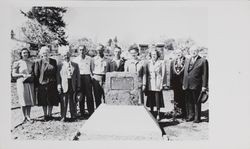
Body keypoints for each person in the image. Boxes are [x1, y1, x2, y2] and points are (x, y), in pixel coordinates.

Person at [182, 45, 209, 123]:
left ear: (198, 51)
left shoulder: (203, 61)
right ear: (190, 52)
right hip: (187, 84)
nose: (193, 52)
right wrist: (184, 83)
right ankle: (190, 116)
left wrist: (204, 86)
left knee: (196, 102)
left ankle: (197, 118)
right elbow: (185, 73)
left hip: (197, 85)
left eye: (195, 51)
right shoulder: (188, 60)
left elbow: (205, 74)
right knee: (189, 101)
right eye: (191, 51)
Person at [34, 46, 59, 121]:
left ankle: (50, 114)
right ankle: (45, 115)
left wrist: (57, 83)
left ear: (49, 53)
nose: (45, 54)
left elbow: (56, 73)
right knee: (43, 100)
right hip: (42, 84)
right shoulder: (38, 62)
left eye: (47, 52)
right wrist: (36, 86)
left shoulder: (53, 61)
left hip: (52, 83)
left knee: (51, 99)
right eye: (44, 53)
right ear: (41, 53)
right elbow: (36, 74)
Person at [12, 48, 36, 123]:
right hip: (21, 82)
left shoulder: (31, 63)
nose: (25, 54)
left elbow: (34, 72)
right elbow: (13, 74)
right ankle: (23, 117)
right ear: (21, 54)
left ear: (28, 54)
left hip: (29, 82)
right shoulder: (17, 63)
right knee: (23, 99)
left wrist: (31, 76)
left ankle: (28, 116)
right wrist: (22, 74)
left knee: (29, 99)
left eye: (26, 53)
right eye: (23, 53)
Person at [57, 47, 81, 122]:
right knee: (64, 100)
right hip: (64, 84)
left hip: (72, 84)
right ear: (62, 57)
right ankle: (63, 116)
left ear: (70, 55)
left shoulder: (75, 65)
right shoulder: (60, 65)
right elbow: (58, 76)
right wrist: (58, 84)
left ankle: (73, 115)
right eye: (64, 55)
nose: (66, 57)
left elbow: (78, 76)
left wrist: (78, 85)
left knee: (73, 100)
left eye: (67, 55)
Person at [73, 45, 95, 116]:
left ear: (85, 51)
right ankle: (82, 111)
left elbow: (92, 70)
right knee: (80, 95)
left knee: (89, 95)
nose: (82, 51)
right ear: (78, 51)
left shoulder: (90, 59)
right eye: (80, 50)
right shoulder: (75, 60)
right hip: (79, 78)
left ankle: (91, 111)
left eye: (83, 50)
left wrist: (91, 78)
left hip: (87, 77)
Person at [145, 48, 166, 120]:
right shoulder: (148, 63)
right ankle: (151, 112)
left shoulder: (161, 62)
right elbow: (147, 73)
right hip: (150, 82)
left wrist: (162, 84)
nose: (153, 55)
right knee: (151, 98)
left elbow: (163, 74)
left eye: (155, 54)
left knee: (157, 99)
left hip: (157, 82)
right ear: (150, 55)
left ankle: (158, 113)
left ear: (157, 55)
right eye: (152, 54)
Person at [170, 49, 186, 118]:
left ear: (182, 53)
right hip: (175, 83)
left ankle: (184, 113)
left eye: (179, 52)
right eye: (177, 53)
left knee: (183, 97)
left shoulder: (186, 61)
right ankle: (176, 112)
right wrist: (171, 83)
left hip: (183, 82)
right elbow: (171, 72)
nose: (178, 54)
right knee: (176, 97)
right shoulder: (173, 61)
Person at [92, 44, 109, 108]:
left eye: (100, 50)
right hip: (96, 77)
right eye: (98, 50)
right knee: (97, 95)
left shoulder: (107, 60)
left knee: (105, 94)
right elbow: (92, 69)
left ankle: (106, 109)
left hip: (105, 77)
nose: (99, 51)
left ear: (103, 50)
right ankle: (98, 109)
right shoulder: (93, 59)